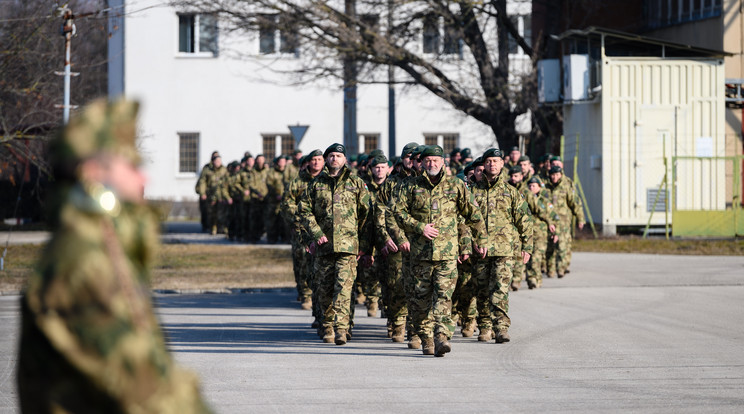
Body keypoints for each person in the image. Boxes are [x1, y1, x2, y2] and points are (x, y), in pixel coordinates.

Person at [17, 99, 212, 414]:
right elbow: (145, 392)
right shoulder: (83, 261)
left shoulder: (101, 245)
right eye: (132, 166)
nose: (143, 179)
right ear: (93, 173)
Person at [392, 145, 487, 357]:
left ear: (443, 162)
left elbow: (473, 214)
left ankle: (442, 336)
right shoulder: (409, 186)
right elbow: (397, 212)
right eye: (427, 161)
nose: (432, 164)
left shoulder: (455, 186)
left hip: (446, 254)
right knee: (420, 300)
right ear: (422, 163)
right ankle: (426, 338)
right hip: (420, 255)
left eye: (436, 160)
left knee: (444, 297)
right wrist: (419, 227)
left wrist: (480, 239)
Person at [299, 143, 372, 345]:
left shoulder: (356, 183)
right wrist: (315, 234)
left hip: (348, 247)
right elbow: (304, 211)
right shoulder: (316, 184)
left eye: (338, 155)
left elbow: (367, 216)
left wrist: (364, 245)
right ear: (326, 159)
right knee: (324, 290)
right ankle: (327, 325)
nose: (334, 159)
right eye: (331, 156)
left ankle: (341, 328)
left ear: (345, 159)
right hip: (324, 247)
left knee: (344, 288)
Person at [471, 148, 533, 344]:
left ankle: (501, 328)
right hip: (480, 250)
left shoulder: (510, 192)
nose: (492, 165)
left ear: (502, 164)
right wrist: (468, 244)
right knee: (481, 290)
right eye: (489, 161)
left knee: (500, 288)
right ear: (484, 164)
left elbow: (524, 219)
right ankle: (485, 326)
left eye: (496, 161)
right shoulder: (472, 191)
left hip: (504, 249)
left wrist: (527, 246)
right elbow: (463, 220)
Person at [281, 150, 324, 312]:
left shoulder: (327, 181)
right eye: (313, 159)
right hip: (302, 230)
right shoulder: (297, 182)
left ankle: (319, 297)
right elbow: (287, 204)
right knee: (303, 262)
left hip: (323, 230)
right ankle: (306, 294)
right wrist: (300, 218)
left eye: (319, 159)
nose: (316, 162)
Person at [545, 165, 585, 278]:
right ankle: (550, 269)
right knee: (549, 247)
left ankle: (561, 268)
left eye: (557, 175)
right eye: (552, 175)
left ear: (561, 175)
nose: (554, 177)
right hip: (549, 222)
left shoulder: (566, 187)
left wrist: (580, 218)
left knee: (562, 246)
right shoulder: (546, 187)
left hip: (563, 222)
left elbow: (575, 203)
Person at [525, 176, 558, 289]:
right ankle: (532, 279)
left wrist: (555, 231)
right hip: (527, 233)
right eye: (529, 186)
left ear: (539, 187)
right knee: (528, 258)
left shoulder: (544, 201)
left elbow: (553, 216)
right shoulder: (524, 200)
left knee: (536, 257)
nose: (531, 188)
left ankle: (535, 278)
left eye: (534, 186)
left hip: (540, 234)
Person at [195, 151, 220, 232]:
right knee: (206, 211)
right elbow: (202, 181)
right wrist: (202, 193)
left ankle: (215, 227)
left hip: (217, 194)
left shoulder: (222, 169)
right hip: (208, 193)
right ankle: (206, 226)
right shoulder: (207, 168)